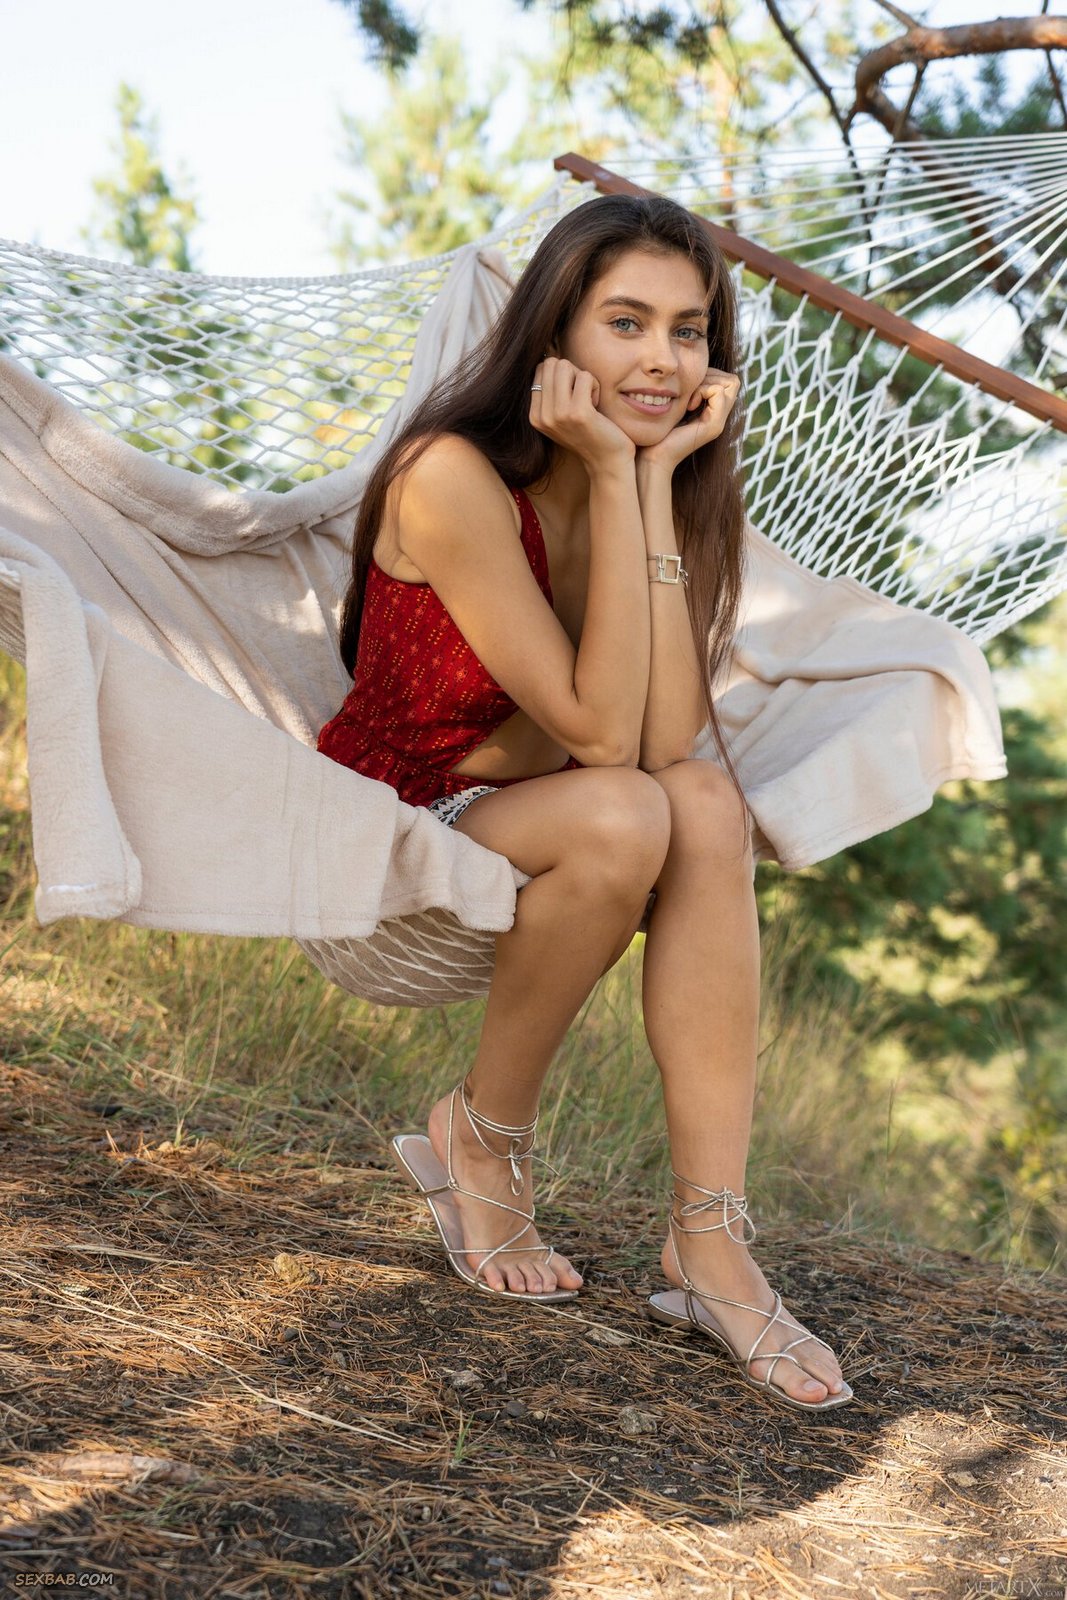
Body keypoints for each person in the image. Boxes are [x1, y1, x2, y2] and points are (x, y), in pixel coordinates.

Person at [318, 194, 852, 1412]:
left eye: (687, 330)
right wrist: (618, 469)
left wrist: (645, 482)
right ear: (553, 333)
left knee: (701, 802)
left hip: (547, 802)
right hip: (403, 811)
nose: (662, 359)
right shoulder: (448, 475)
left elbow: (662, 740)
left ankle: (707, 1235)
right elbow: (606, 739)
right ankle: (482, 1132)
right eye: (625, 322)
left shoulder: (663, 480)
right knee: (629, 810)